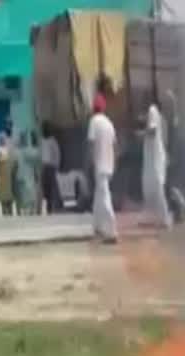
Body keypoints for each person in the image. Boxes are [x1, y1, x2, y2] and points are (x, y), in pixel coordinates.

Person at [87, 93, 118, 243]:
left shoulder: (94, 121)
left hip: (99, 164)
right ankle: (97, 227)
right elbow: (114, 145)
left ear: (94, 108)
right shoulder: (109, 123)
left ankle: (112, 231)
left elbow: (91, 144)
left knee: (104, 197)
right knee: (99, 197)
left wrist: (89, 162)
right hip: (109, 165)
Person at [138, 100, 172, 229]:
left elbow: (152, 131)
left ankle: (165, 219)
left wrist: (141, 134)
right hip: (155, 157)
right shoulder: (158, 116)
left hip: (156, 158)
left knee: (157, 187)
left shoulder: (152, 109)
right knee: (153, 186)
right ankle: (157, 217)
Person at [39, 123, 63, 214]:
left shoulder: (53, 141)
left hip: (51, 167)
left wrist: (57, 166)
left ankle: (52, 208)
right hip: (44, 167)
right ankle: (45, 208)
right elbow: (40, 155)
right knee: (45, 188)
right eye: (44, 128)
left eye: (46, 128)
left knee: (52, 188)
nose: (44, 130)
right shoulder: (41, 140)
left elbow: (57, 154)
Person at [0, 132, 14, 216]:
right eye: (1, 139)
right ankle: (4, 212)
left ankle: (10, 212)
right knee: (3, 196)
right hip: (2, 175)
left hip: (8, 175)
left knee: (9, 195)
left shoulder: (8, 149)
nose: (2, 140)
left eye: (3, 139)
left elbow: (12, 162)